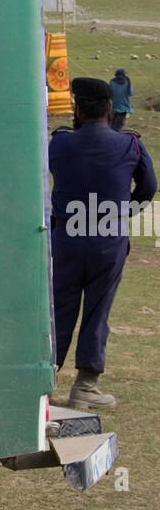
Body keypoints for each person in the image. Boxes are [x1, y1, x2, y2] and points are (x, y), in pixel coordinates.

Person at [49, 76, 156, 409]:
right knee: (98, 309)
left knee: (58, 309)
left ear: (77, 109)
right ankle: (85, 386)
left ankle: (43, 384)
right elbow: (149, 187)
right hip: (108, 238)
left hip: (65, 236)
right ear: (110, 109)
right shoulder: (130, 145)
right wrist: (122, 214)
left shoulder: (59, 143)